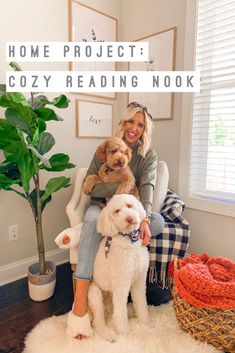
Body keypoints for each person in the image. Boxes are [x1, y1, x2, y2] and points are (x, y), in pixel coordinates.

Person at [66, 102, 165, 339]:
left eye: (140, 124)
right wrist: (116, 191)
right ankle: (80, 300)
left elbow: (147, 187)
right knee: (92, 220)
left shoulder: (147, 155)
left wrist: (145, 218)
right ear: (123, 123)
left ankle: (117, 238)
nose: (134, 128)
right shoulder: (105, 148)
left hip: (130, 209)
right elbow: (90, 186)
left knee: (158, 222)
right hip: (101, 206)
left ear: (145, 129)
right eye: (131, 121)